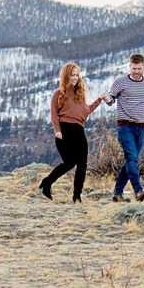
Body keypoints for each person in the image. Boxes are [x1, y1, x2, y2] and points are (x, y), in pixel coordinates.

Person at [102, 52, 144, 201]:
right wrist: (106, 99)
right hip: (124, 126)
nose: (136, 71)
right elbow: (111, 100)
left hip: (141, 127)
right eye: (134, 68)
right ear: (129, 67)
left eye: (139, 68)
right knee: (131, 157)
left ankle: (117, 194)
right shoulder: (120, 82)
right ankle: (138, 191)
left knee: (131, 160)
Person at [39, 62, 102, 201]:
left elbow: (86, 112)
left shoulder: (80, 94)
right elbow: (54, 114)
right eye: (72, 75)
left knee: (82, 164)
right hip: (64, 131)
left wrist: (100, 100)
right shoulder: (58, 93)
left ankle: (77, 196)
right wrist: (57, 131)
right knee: (69, 163)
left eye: (76, 75)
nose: (75, 78)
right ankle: (47, 183)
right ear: (66, 76)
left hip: (79, 132)